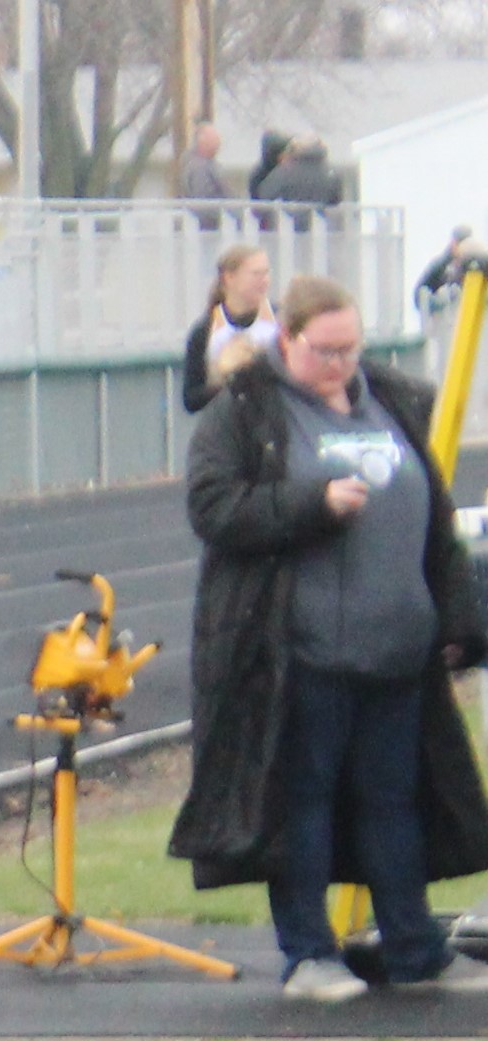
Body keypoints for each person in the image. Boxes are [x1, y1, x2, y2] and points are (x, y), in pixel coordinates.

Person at [171, 274, 488, 1002]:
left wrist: (456, 621)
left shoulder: (391, 402)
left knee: (395, 801)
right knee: (302, 801)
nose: (340, 364)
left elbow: (433, 519)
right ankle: (309, 956)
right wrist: (310, 505)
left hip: (398, 654)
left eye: (351, 348)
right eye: (325, 350)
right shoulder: (248, 411)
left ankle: (416, 951)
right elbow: (214, 508)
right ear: (288, 339)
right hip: (301, 654)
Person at [182, 242, 275, 414]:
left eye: (266, 273)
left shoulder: (281, 322)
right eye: (256, 274)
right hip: (227, 431)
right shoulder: (205, 331)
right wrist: (225, 374)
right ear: (229, 278)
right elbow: (192, 401)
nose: (264, 280)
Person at [256, 133, 343, 216]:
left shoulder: (284, 171)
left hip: (288, 227)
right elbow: (336, 201)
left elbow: (264, 199)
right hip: (322, 227)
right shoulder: (331, 172)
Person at [416, 226, 481, 315]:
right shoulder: (440, 266)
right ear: (453, 244)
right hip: (444, 320)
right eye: (459, 243)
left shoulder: (475, 265)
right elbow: (419, 295)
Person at [177, 122, 230, 214]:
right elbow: (202, 204)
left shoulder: (211, 165)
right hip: (208, 225)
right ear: (202, 141)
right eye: (214, 140)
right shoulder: (198, 169)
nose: (218, 144)